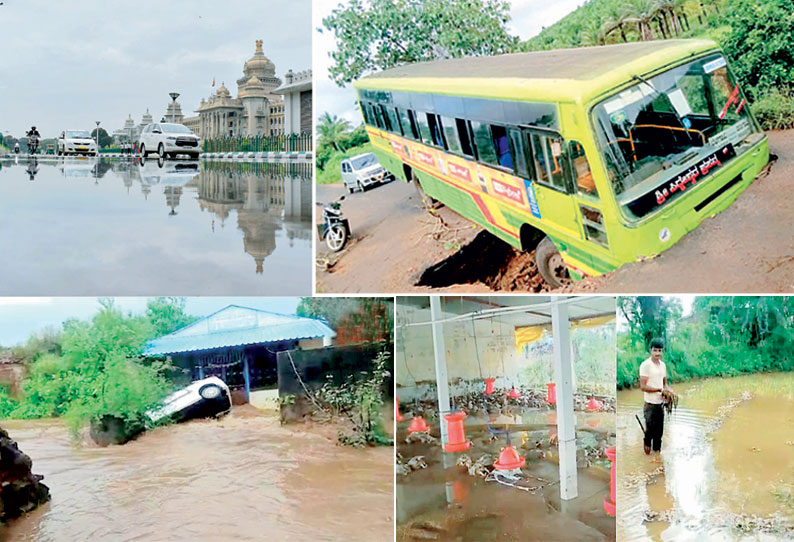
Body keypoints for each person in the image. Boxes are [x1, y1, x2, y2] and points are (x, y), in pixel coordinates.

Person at [639, 338, 669, 454]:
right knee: (649, 433)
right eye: (655, 350)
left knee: (659, 433)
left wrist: (668, 390)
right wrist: (659, 390)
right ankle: (647, 457)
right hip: (650, 405)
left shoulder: (663, 365)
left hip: (660, 404)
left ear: (662, 352)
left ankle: (657, 458)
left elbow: (665, 383)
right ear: (650, 350)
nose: (657, 353)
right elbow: (643, 386)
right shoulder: (645, 365)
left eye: (660, 350)